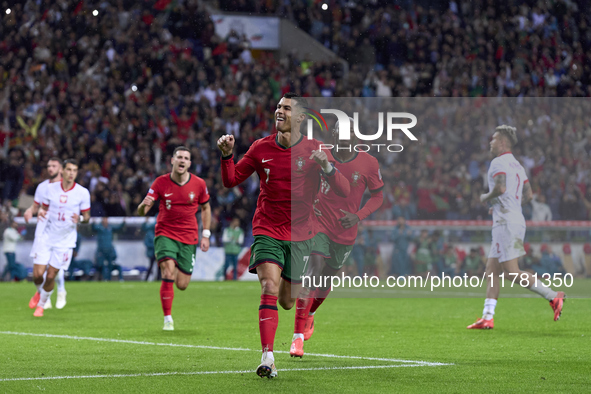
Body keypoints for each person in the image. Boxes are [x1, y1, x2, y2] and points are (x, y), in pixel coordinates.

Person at [217, 92, 350, 378]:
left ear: (301, 117)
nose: (280, 111)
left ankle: (306, 319)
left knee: (288, 301)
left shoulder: (316, 150)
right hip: (267, 228)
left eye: (287, 108)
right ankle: (267, 357)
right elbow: (231, 180)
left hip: (301, 234)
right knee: (269, 286)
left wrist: (326, 166)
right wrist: (227, 156)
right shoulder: (260, 148)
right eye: (278, 106)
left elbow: (343, 190)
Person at [292, 118, 383, 357]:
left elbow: (377, 197)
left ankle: (310, 314)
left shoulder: (369, 163)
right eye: (339, 131)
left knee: (325, 280)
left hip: (345, 231)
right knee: (313, 272)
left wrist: (358, 216)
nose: (343, 135)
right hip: (318, 222)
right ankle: (297, 337)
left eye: (348, 131)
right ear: (333, 135)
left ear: (356, 137)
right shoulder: (321, 154)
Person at [467, 126, 564, 329]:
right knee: (491, 270)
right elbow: (528, 195)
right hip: (514, 219)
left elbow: (500, 187)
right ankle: (488, 317)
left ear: (503, 142)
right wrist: (507, 204)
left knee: (511, 272)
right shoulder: (518, 166)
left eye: (493, 139)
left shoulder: (498, 162)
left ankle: (554, 296)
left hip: (506, 223)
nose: (490, 143)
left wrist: (486, 198)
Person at [137, 146, 211, 331]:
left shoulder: (199, 184)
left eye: (186, 158)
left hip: (189, 236)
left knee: (182, 285)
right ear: (172, 160)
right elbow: (143, 210)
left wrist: (206, 234)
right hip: (165, 233)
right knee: (168, 273)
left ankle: (177, 262)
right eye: (179, 157)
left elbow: (206, 208)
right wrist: (141, 206)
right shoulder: (160, 182)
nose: (182, 160)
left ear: (190, 163)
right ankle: (168, 318)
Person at [30, 159, 91, 317]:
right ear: (62, 171)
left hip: (65, 241)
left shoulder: (82, 192)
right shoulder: (50, 189)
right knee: (37, 275)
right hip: (47, 237)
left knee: (51, 275)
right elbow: (44, 208)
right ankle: (39, 293)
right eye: (69, 169)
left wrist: (81, 219)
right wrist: (42, 212)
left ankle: (41, 306)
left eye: (74, 170)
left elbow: (87, 217)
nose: (71, 173)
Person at [25, 158, 68, 310]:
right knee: (37, 274)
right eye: (48, 165)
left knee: (56, 267)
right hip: (42, 232)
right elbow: (36, 205)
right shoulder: (42, 187)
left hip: (60, 233)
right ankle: (42, 294)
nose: (50, 168)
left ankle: (61, 292)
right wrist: (30, 210)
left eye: (54, 166)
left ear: (61, 169)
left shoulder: (67, 187)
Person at [92, 217, 126, 281]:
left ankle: (108, 279)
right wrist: (93, 223)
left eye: (106, 219)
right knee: (102, 265)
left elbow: (118, 228)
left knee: (110, 265)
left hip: (109, 250)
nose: (105, 220)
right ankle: (103, 279)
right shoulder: (99, 227)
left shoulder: (110, 227)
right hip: (101, 250)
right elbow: (93, 228)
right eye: (104, 219)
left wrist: (123, 222)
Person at [140, 217, 158, 281]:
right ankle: (146, 279)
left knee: (159, 267)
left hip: (157, 252)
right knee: (151, 266)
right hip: (152, 252)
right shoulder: (149, 233)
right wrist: (154, 246)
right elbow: (146, 243)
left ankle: (158, 279)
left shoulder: (157, 233)